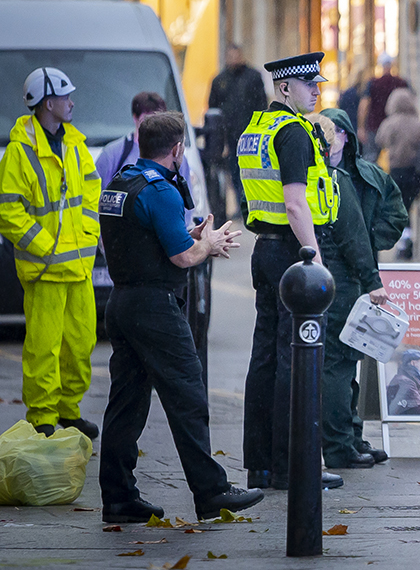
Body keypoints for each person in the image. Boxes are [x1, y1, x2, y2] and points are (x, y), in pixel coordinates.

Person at [98, 111, 263, 523]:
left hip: (122, 303)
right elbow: (183, 257)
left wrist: (198, 239)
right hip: (155, 308)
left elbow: (148, 241)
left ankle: (118, 497)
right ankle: (212, 493)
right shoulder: (162, 192)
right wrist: (206, 244)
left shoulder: (120, 183)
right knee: (188, 395)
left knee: (126, 403)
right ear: (176, 149)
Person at [238, 52, 343, 492]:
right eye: (308, 85)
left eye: (317, 84)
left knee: (265, 356)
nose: (317, 90)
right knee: (294, 358)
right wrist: (314, 258)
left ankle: (260, 464)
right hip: (291, 252)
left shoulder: (256, 128)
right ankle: (291, 464)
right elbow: (297, 202)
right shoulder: (294, 133)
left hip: (265, 249)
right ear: (284, 88)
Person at [0, 67, 100, 439]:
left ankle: (68, 410)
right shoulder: (19, 152)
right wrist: (47, 249)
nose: (72, 102)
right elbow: (8, 210)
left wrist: (88, 235)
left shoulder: (74, 143)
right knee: (43, 347)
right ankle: (43, 415)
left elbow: (91, 191)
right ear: (47, 103)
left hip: (78, 267)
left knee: (81, 344)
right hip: (45, 271)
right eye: (65, 97)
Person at [314, 106, 406, 463]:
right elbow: (350, 236)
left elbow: (393, 214)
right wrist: (370, 273)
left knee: (347, 359)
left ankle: (349, 437)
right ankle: (339, 446)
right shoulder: (331, 179)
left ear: (347, 137)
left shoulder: (365, 176)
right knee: (337, 362)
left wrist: (372, 240)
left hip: (338, 274)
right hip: (341, 276)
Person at [375, 87, 420, 258]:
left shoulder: (389, 123)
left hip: (396, 171)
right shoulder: (419, 123)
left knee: (400, 208)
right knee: (407, 206)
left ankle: (404, 242)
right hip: (416, 172)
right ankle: (408, 241)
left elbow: (380, 141)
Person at [208, 44, 268, 207]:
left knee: (252, 169)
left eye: (236, 55)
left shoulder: (253, 77)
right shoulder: (220, 80)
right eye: (230, 56)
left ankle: (252, 201)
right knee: (235, 170)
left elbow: (261, 103)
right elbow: (213, 108)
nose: (233, 59)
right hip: (231, 135)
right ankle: (240, 202)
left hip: (251, 133)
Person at [95, 92, 186, 189]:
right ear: (135, 117)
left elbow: (187, 199)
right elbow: (98, 196)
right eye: (147, 120)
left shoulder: (176, 156)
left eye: (158, 120)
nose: (153, 126)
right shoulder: (111, 155)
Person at [358, 54, 408, 160]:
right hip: (397, 126)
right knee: (398, 159)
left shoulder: (373, 83)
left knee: (370, 159)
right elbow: (410, 101)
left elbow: (364, 106)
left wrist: (361, 127)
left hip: (375, 125)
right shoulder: (400, 83)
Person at [338, 65, 368, 133]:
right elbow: (362, 110)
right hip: (355, 123)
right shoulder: (362, 93)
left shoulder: (349, 92)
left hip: (347, 121)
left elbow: (341, 105)